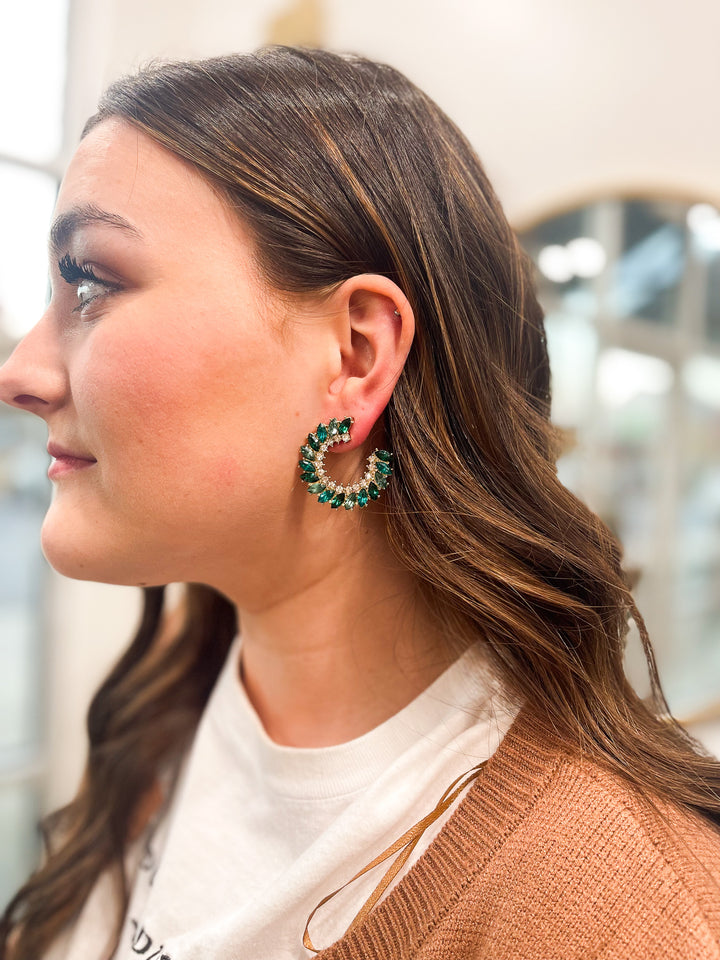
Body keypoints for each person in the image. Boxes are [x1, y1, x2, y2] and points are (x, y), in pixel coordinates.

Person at [0, 45, 719, 960]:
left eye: (92, 281)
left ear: (354, 358)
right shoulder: (169, 702)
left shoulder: (618, 914)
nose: (20, 372)